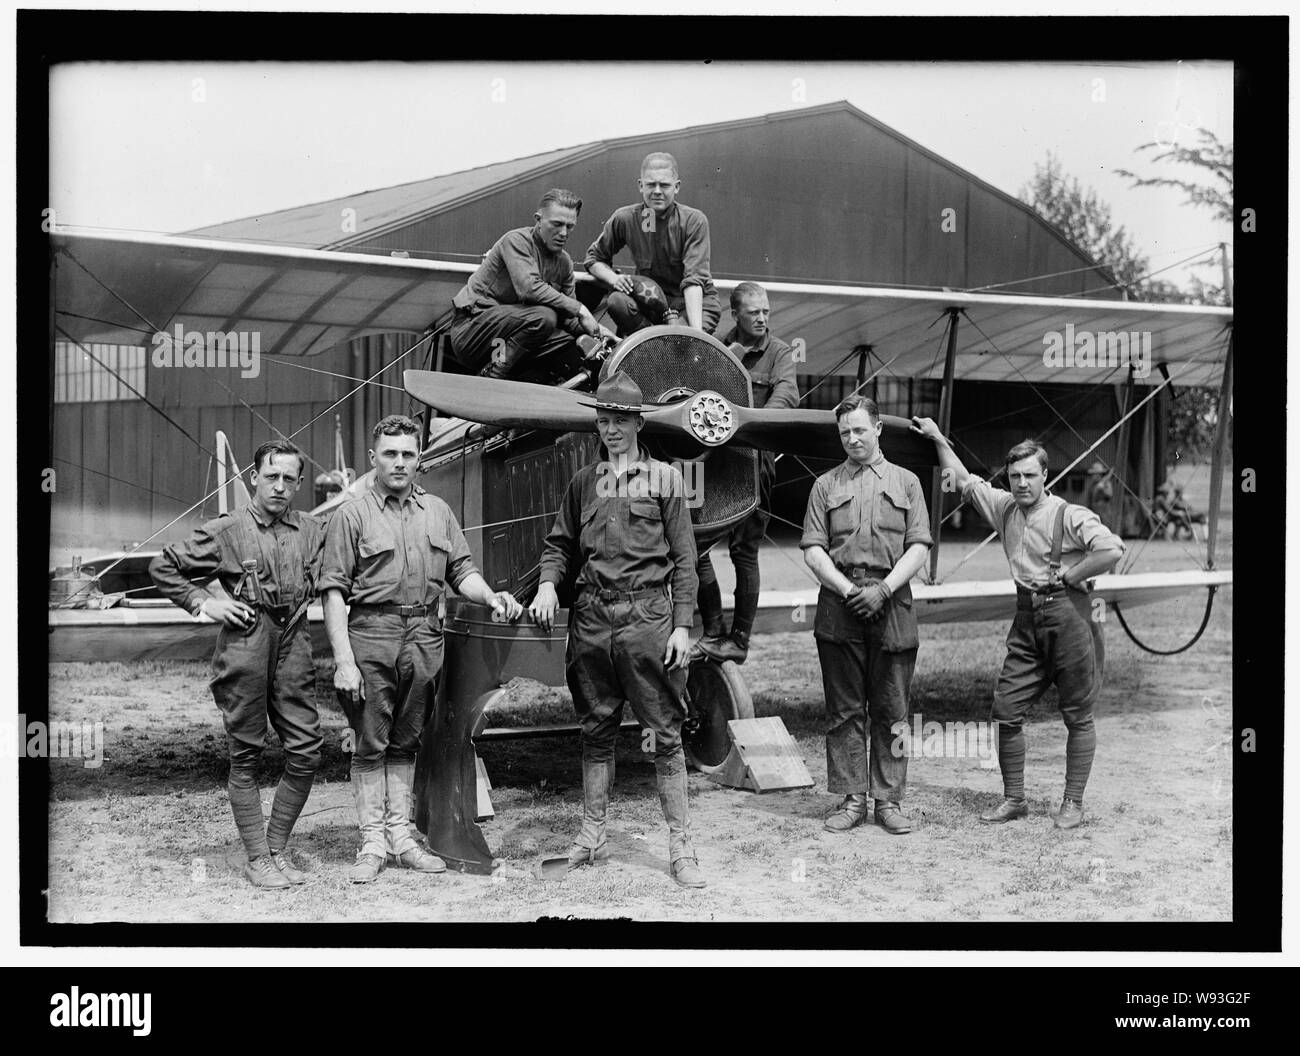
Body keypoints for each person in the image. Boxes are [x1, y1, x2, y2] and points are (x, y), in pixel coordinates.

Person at [319, 415, 522, 883]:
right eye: (390, 453)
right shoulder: (352, 515)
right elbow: (332, 592)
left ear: (419, 458)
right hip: (372, 632)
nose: (399, 462)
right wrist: (344, 661)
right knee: (370, 739)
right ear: (373, 458)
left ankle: (402, 837)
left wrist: (490, 595)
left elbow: (461, 571)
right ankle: (373, 841)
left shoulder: (438, 511)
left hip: (425, 635)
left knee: (407, 738)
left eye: (408, 454)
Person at [529, 371, 704, 888]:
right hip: (591, 620)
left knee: (665, 735)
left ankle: (681, 845)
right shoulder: (584, 482)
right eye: (604, 420)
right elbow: (560, 544)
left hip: (647, 620)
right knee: (596, 730)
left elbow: (686, 560)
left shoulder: (666, 480)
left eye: (621, 420)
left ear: (638, 424)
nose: (611, 429)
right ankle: (593, 835)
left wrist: (682, 626)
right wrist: (546, 585)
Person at [912, 420, 1125, 829]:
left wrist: (1072, 575)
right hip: (1027, 618)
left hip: (1069, 617)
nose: (1022, 483)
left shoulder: (1068, 514)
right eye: (1014, 477)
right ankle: (1014, 799)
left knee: (1077, 714)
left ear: (1045, 475)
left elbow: (1112, 549)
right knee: (1006, 710)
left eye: (1030, 475)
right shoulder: (1005, 507)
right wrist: (938, 438)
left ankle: (1072, 803)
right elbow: (963, 480)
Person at [149, 439, 325, 889]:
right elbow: (163, 567)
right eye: (271, 476)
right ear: (254, 478)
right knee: (245, 755)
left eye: (289, 479)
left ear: (300, 483)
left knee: (306, 749)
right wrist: (207, 603)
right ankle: (257, 858)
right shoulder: (226, 530)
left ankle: (276, 848)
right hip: (247, 639)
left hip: (295, 639)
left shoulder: (313, 530)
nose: (280, 486)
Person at [802, 396, 933, 835]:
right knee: (843, 709)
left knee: (892, 708)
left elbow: (919, 546)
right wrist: (849, 590)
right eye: (845, 432)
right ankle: (852, 799)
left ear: (878, 429)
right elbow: (813, 550)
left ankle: (888, 801)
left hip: (892, 603)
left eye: (860, 429)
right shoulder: (824, 486)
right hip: (840, 603)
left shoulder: (908, 482)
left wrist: (884, 589)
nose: (852, 439)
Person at [692, 281, 800, 664]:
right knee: (694, 545)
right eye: (754, 312)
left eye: (766, 311)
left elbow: (787, 396)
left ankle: (739, 639)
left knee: (744, 551)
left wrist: (745, 423)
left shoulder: (780, 352)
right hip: (714, 461)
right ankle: (713, 631)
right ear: (735, 313)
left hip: (755, 461)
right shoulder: (716, 348)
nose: (762, 319)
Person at [449, 188, 612, 378]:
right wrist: (581, 309)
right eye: (557, 224)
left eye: (570, 226)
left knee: (571, 341)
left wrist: (600, 333)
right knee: (545, 317)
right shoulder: (516, 241)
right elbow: (529, 289)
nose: (563, 233)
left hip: (507, 339)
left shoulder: (564, 263)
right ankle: (493, 375)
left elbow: (568, 318)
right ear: (538, 220)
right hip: (472, 332)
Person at [584, 151, 722, 336]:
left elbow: (693, 282)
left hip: (692, 303)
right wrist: (614, 279)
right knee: (617, 301)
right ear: (641, 186)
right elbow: (593, 259)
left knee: (680, 343)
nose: (657, 191)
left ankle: (665, 343)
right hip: (650, 301)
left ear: (676, 187)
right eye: (651, 184)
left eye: (664, 185)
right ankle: (651, 342)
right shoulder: (625, 218)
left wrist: (695, 336)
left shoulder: (694, 221)